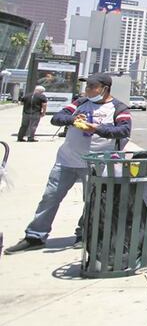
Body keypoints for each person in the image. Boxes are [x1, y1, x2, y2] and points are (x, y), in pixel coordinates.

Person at [4, 74, 132, 254]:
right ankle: (35, 236)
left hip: (96, 164)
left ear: (104, 88)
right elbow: (56, 118)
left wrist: (96, 128)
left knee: (93, 202)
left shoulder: (119, 108)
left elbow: (124, 130)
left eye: (92, 86)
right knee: (50, 197)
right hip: (66, 161)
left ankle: (84, 234)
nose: (87, 89)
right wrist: (73, 120)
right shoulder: (79, 103)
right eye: (86, 86)